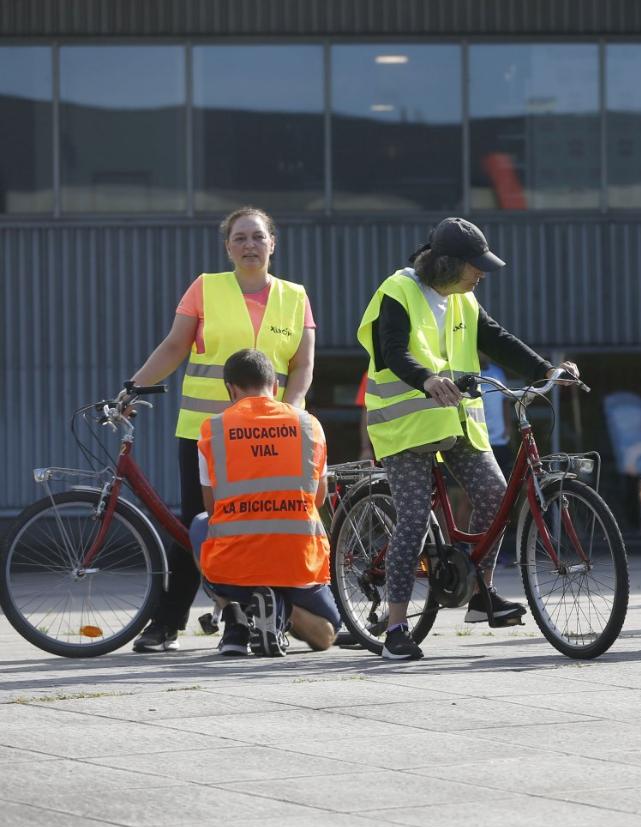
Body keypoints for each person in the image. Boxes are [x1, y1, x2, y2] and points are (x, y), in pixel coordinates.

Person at [357, 217, 578, 661]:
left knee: (498, 497)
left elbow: (495, 338)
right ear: (446, 264)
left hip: (457, 419)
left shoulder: (464, 298)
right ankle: (397, 627)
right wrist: (426, 379)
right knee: (415, 521)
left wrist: (545, 370)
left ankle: (481, 592)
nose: (481, 274)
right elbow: (392, 351)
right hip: (406, 424)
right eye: (474, 267)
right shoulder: (397, 291)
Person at [124, 207, 316, 652]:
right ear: (227, 246)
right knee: (201, 524)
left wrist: (293, 410)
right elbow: (174, 346)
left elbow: (302, 364)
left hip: (269, 436)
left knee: (258, 527)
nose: (250, 245)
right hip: (206, 432)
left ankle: (240, 624)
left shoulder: (295, 296)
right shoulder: (205, 289)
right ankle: (170, 623)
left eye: (257, 237)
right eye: (240, 238)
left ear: (273, 243)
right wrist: (134, 388)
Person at [191, 349, 338, 656]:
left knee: (200, 525)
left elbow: (212, 506)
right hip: (298, 561)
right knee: (326, 635)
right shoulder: (310, 425)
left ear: (230, 388)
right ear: (274, 386)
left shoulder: (213, 429)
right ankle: (282, 608)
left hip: (236, 565)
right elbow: (320, 497)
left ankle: (237, 617)